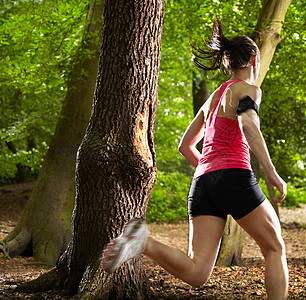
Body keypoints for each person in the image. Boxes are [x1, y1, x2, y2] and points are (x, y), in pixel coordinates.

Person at [101, 17, 289, 300]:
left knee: (197, 272)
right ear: (253, 61)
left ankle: (143, 243)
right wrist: (271, 173)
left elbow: (185, 146)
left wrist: (211, 172)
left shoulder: (213, 98)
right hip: (235, 178)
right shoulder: (249, 90)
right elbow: (249, 126)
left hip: (202, 183)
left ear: (228, 62)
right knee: (274, 248)